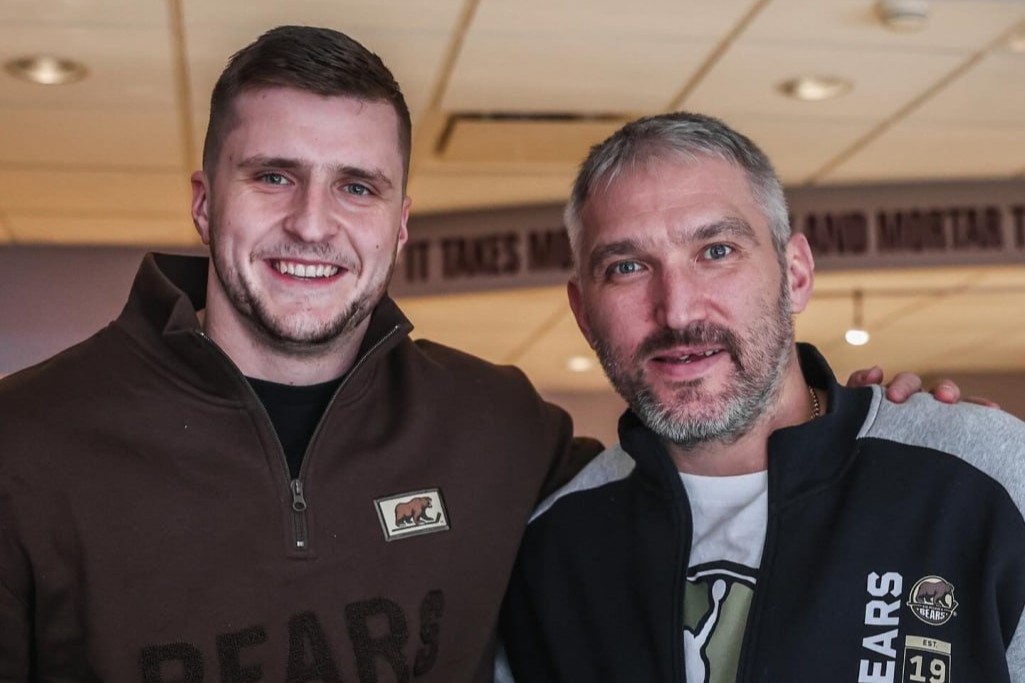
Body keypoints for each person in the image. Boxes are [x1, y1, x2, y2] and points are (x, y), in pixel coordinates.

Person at [0, 26, 969, 683]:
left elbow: (710, 456)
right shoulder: (25, 445)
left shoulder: (497, 427)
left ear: (399, 221)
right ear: (205, 200)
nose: (313, 223)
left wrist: (887, 428)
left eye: (357, 186)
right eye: (273, 176)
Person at [498, 111, 1025, 683]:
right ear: (583, 313)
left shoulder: (981, 484)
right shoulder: (551, 551)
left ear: (795, 275)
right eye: (626, 267)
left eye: (717, 251)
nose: (677, 311)